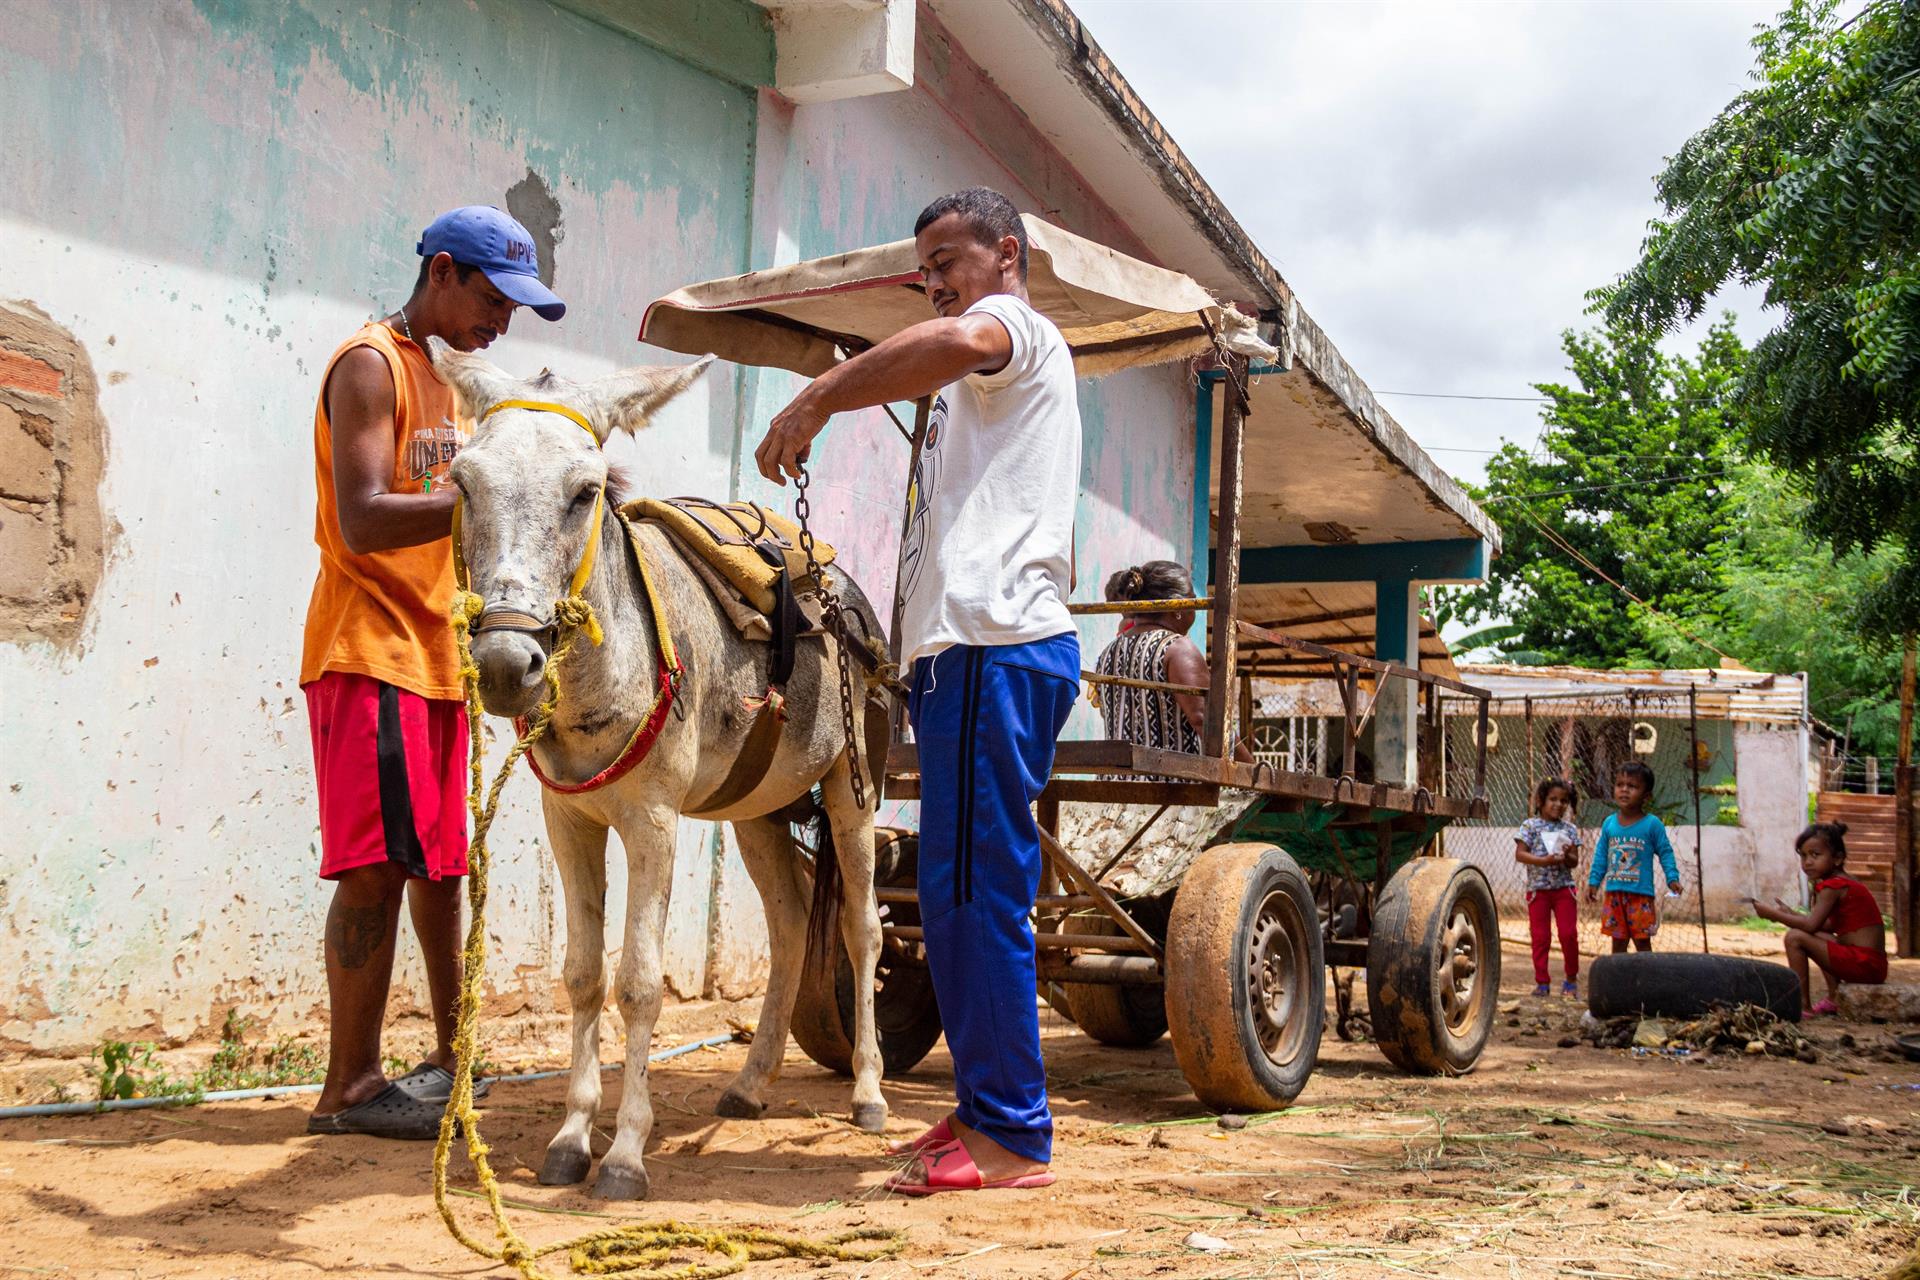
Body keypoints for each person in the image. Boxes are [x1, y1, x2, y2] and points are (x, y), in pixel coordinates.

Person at [754, 187, 1076, 1194]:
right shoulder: (971, 392)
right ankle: (985, 1105)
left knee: (978, 897)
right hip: (957, 656)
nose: (933, 278)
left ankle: (1014, 1135)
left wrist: (817, 397)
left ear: (1007, 256)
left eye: (949, 257)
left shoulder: (1012, 330)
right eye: (922, 266)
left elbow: (957, 336)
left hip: (995, 645)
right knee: (948, 898)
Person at [301, 206, 566, 1138]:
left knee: (440, 869)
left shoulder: (458, 384)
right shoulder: (371, 363)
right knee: (374, 868)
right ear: (443, 272)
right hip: (369, 648)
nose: (503, 322)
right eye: (493, 299)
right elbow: (368, 515)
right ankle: (349, 1089)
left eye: (515, 308)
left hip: (438, 652)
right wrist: (478, 497)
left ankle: (452, 1058)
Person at [1093, 561, 1251, 763]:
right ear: (1178, 606)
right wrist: (1255, 773)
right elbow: (1205, 720)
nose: (1195, 609)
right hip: (1170, 784)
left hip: (1115, 784)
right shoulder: (1176, 649)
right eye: (1193, 601)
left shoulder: (1108, 652)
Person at [1748, 821, 1888, 1017]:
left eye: (1815, 855)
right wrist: (1790, 913)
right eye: (1804, 856)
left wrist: (1773, 914)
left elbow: (1811, 925)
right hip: (1872, 965)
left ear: (1837, 858)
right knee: (1817, 935)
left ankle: (1802, 1006)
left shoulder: (1833, 886)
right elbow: (1826, 925)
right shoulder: (1844, 882)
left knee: (1794, 938)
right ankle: (1834, 997)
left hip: (1865, 964)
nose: (1808, 862)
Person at [1583, 761, 1682, 954]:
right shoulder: (1609, 823)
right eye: (1620, 785)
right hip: (1614, 895)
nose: (1624, 790)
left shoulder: (1652, 824)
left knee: (1642, 944)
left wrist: (1672, 878)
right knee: (1618, 944)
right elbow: (1601, 855)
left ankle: (1646, 982)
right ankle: (1620, 983)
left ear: (1646, 796)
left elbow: (1665, 852)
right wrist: (1593, 882)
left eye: (1632, 786)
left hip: (1640, 896)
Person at [1515, 777, 1580, 997]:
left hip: (1564, 889)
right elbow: (1520, 854)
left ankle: (1571, 980)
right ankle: (1542, 982)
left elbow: (1574, 862)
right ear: (1541, 800)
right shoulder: (1530, 825)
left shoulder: (1569, 829)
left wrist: (1569, 853)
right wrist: (1544, 861)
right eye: (1553, 799)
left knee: (1568, 934)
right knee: (1541, 937)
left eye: (1564, 801)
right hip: (1538, 891)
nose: (1558, 804)